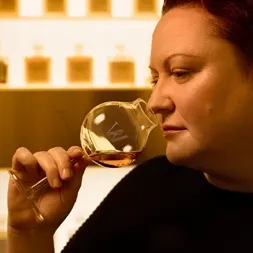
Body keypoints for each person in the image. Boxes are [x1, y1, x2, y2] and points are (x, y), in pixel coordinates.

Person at [6, 0, 253, 252]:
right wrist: (30, 233)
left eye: (180, 72)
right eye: (154, 79)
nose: (155, 102)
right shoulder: (150, 189)